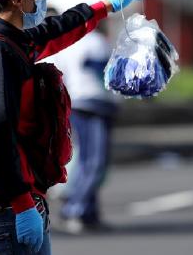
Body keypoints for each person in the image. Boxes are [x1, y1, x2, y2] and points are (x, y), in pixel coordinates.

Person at [0, 0, 151, 255]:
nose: (42, 1)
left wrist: (107, 6)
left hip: (16, 202)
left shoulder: (6, 38)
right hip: (8, 207)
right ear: (17, 0)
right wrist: (23, 207)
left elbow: (54, 31)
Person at [42, 23, 118, 234]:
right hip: (95, 105)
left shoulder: (69, 44)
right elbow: (106, 73)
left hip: (77, 104)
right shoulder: (97, 43)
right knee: (95, 161)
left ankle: (88, 213)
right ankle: (74, 209)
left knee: (86, 159)